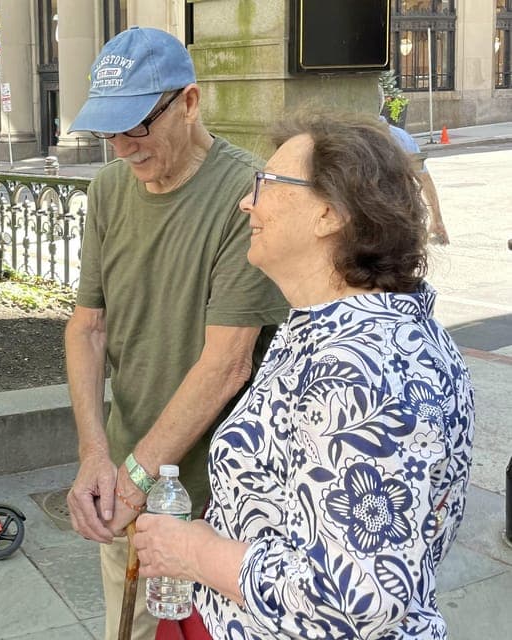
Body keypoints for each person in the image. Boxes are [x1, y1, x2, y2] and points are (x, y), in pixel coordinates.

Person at [133, 112, 475, 640]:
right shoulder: (336, 332)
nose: (247, 202)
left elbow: (352, 599)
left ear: (330, 215)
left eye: (266, 184)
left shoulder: (361, 370)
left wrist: (195, 552)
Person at [64, 27, 288, 640]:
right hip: (123, 475)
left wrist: (136, 478)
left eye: (136, 126)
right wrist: (95, 456)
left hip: (216, 498)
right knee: (128, 625)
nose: (121, 149)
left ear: (189, 103)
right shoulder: (108, 190)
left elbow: (228, 363)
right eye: (108, 131)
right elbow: (88, 326)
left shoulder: (247, 193)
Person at [378, 85, 449, 244]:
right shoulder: (401, 137)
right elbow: (424, 178)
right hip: (401, 220)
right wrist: (437, 219)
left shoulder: (343, 138)